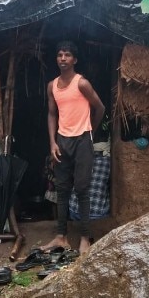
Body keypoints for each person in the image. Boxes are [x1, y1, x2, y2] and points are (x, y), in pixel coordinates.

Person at [41, 40, 105, 255]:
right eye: (59, 55)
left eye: (67, 55)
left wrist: (90, 133)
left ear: (74, 60)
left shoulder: (82, 84)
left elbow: (100, 108)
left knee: (82, 188)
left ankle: (85, 238)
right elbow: (51, 114)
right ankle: (61, 236)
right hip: (61, 141)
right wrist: (52, 142)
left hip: (82, 140)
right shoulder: (52, 86)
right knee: (62, 190)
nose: (63, 58)